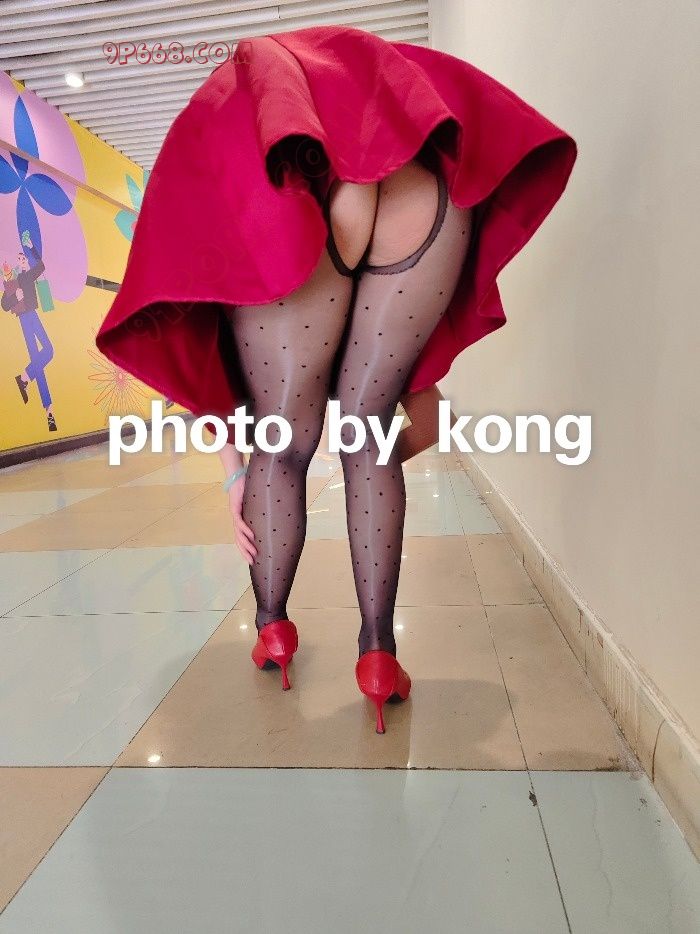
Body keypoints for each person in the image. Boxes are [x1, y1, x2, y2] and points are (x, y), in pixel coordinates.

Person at [96, 25, 577, 732]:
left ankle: (273, 629)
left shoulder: (248, 98)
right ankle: (378, 653)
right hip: (417, 164)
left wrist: (235, 474)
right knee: (368, 435)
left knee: (281, 448)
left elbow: (201, 312)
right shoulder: (363, 76)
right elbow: (423, 420)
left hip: (289, 169)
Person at [1, 237, 57, 432]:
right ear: (17, 264)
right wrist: (14, 297)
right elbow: (4, 305)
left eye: (24, 258)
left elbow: (41, 266)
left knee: (47, 351)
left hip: (33, 315)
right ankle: (49, 411)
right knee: (41, 357)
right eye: (19, 259)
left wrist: (32, 247)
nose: (22, 260)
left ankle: (24, 378)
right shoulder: (14, 281)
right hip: (25, 318)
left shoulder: (29, 275)